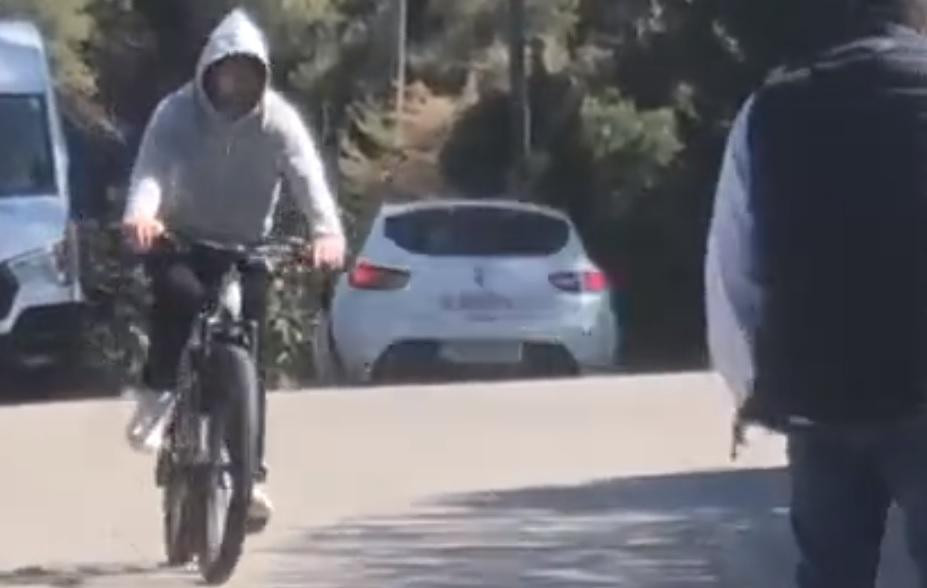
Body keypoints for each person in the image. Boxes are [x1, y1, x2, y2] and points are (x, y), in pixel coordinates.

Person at [706, 1, 927, 585]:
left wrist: (754, 387)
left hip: (818, 400)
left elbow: (734, 268)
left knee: (830, 573)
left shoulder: (770, 109)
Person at [121, 8, 346, 531]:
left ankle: (249, 475)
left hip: (247, 244)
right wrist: (141, 215)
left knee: (248, 345)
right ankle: (157, 399)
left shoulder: (277, 121)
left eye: (251, 72)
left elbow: (308, 178)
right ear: (211, 70)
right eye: (230, 70)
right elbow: (151, 170)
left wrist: (326, 233)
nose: (240, 81)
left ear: (263, 76)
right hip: (182, 238)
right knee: (177, 297)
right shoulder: (176, 113)